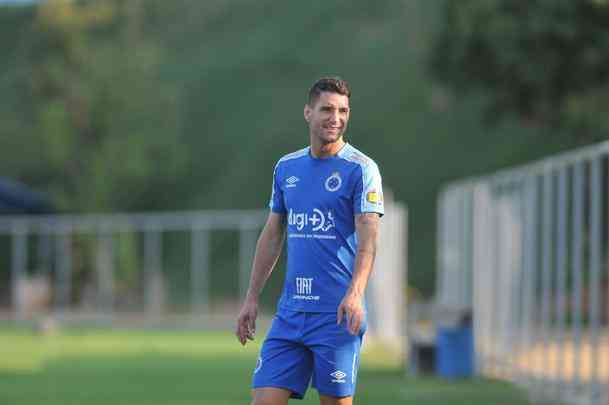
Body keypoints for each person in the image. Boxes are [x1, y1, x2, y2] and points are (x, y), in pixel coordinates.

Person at [236, 76, 384, 405]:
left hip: (337, 316)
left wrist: (357, 294)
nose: (336, 118)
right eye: (327, 109)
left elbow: (369, 241)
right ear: (308, 112)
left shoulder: (362, 170)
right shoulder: (286, 168)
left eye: (343, 111)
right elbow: (272, 234)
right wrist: (251, 298)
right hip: (290, 315)